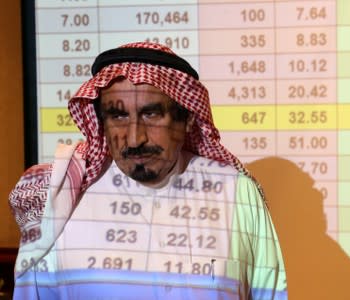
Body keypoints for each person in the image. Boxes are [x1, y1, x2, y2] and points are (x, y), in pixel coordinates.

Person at [9, 42, 287, 299]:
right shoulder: (58, 194)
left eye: (151, 114)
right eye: (118, 115)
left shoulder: (236, 191)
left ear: (187, 119)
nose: (134, 139)